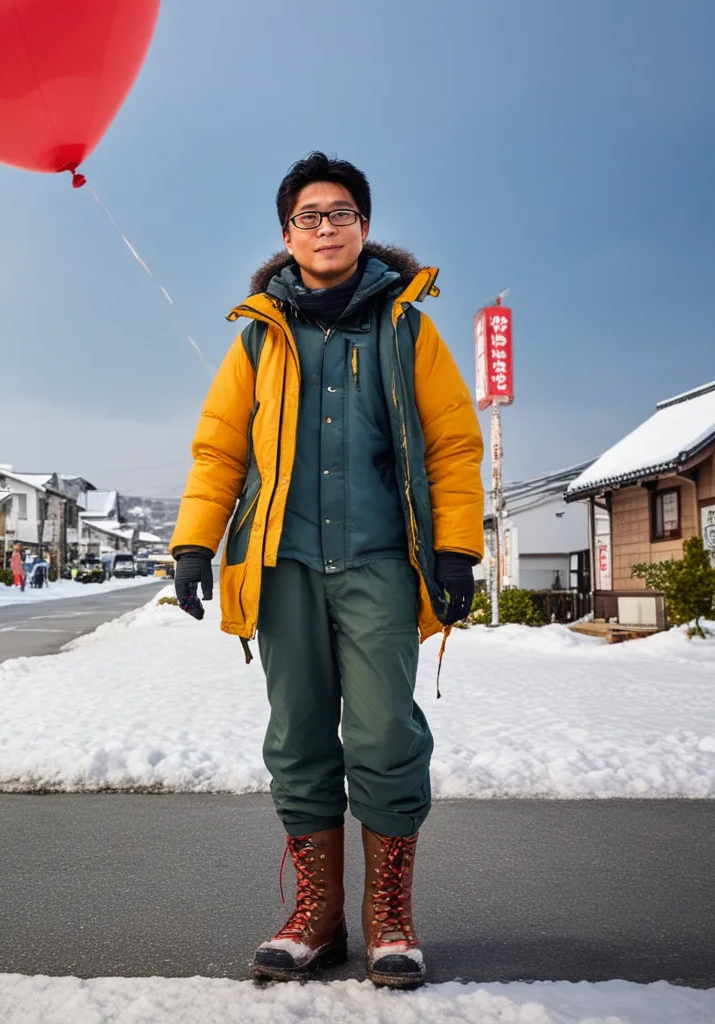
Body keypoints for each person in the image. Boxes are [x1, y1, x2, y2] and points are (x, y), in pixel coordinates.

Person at [169, 153, 484, 989]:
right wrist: (194, 543)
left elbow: (453, 441)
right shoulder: (259, 336)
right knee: (299, 738)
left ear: (365, 228)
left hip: (381, 563)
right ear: (287, 235)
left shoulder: (407, 328)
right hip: (283, 568)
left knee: (384, 735)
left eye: (341, 213)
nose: (326, 227)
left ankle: (391, 917)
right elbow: (220, 448)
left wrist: (457, 549)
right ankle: (319, 918)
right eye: (310, 216)